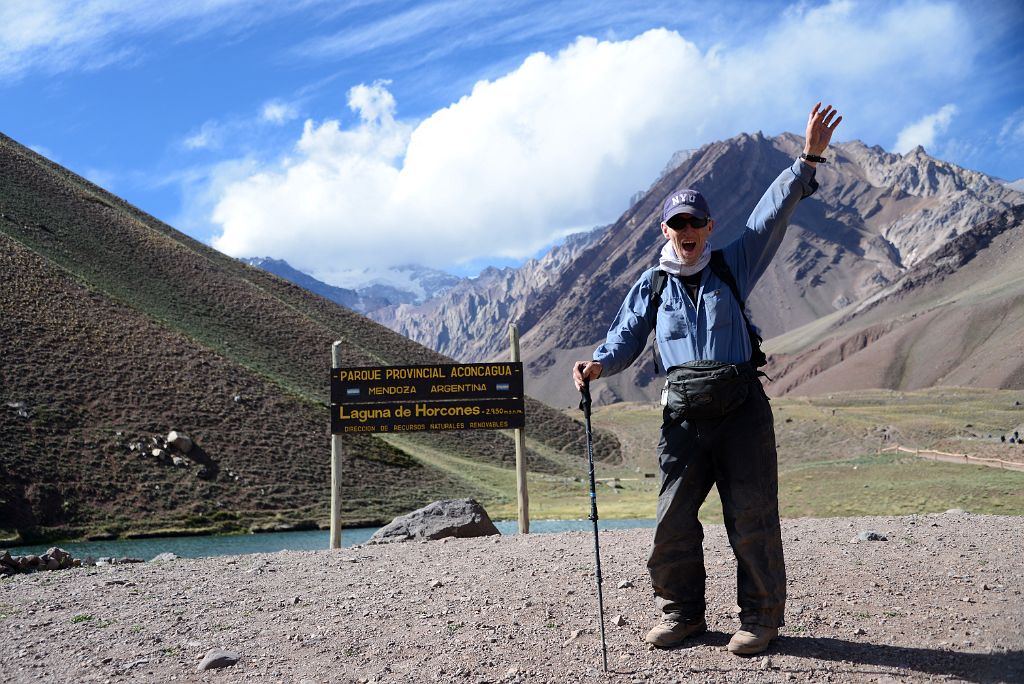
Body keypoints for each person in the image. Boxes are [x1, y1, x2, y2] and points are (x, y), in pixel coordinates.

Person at [572, 103, 842, 655]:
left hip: (742, 411)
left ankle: (761, 620)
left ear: (709, 227)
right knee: (672, 522)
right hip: (683, 418)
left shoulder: (732, 265)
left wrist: (807, 159)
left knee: (752, 518)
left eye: (695, 223)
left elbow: (771, 216)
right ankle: (682, 615)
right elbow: (625, 336)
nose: (687, 231)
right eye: (677, 224)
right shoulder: (652, 285)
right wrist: (598, 365)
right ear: (665, 230)